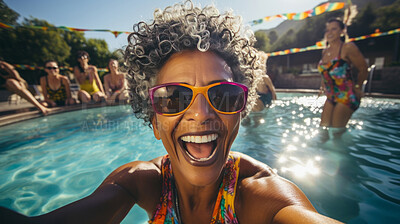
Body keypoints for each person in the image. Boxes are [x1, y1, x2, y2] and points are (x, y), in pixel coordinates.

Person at [0, 1, 342, 223]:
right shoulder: (142, 182)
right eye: (173, 97)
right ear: (154, 121)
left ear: (241, 111)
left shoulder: (258, 194)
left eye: (222, 95)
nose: (201, 113)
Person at [317, 18, 368, 136]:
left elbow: (363, 68)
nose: (329, 32)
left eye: (334, 29)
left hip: (347, 95)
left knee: (336, 132)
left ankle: (339, 153)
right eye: (327, 30)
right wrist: (322, 86)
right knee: (323, 131)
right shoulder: (325, 52)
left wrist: (358, 88)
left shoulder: (347, 48)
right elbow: (325, 72)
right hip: (331, 96)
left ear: (342, 31)